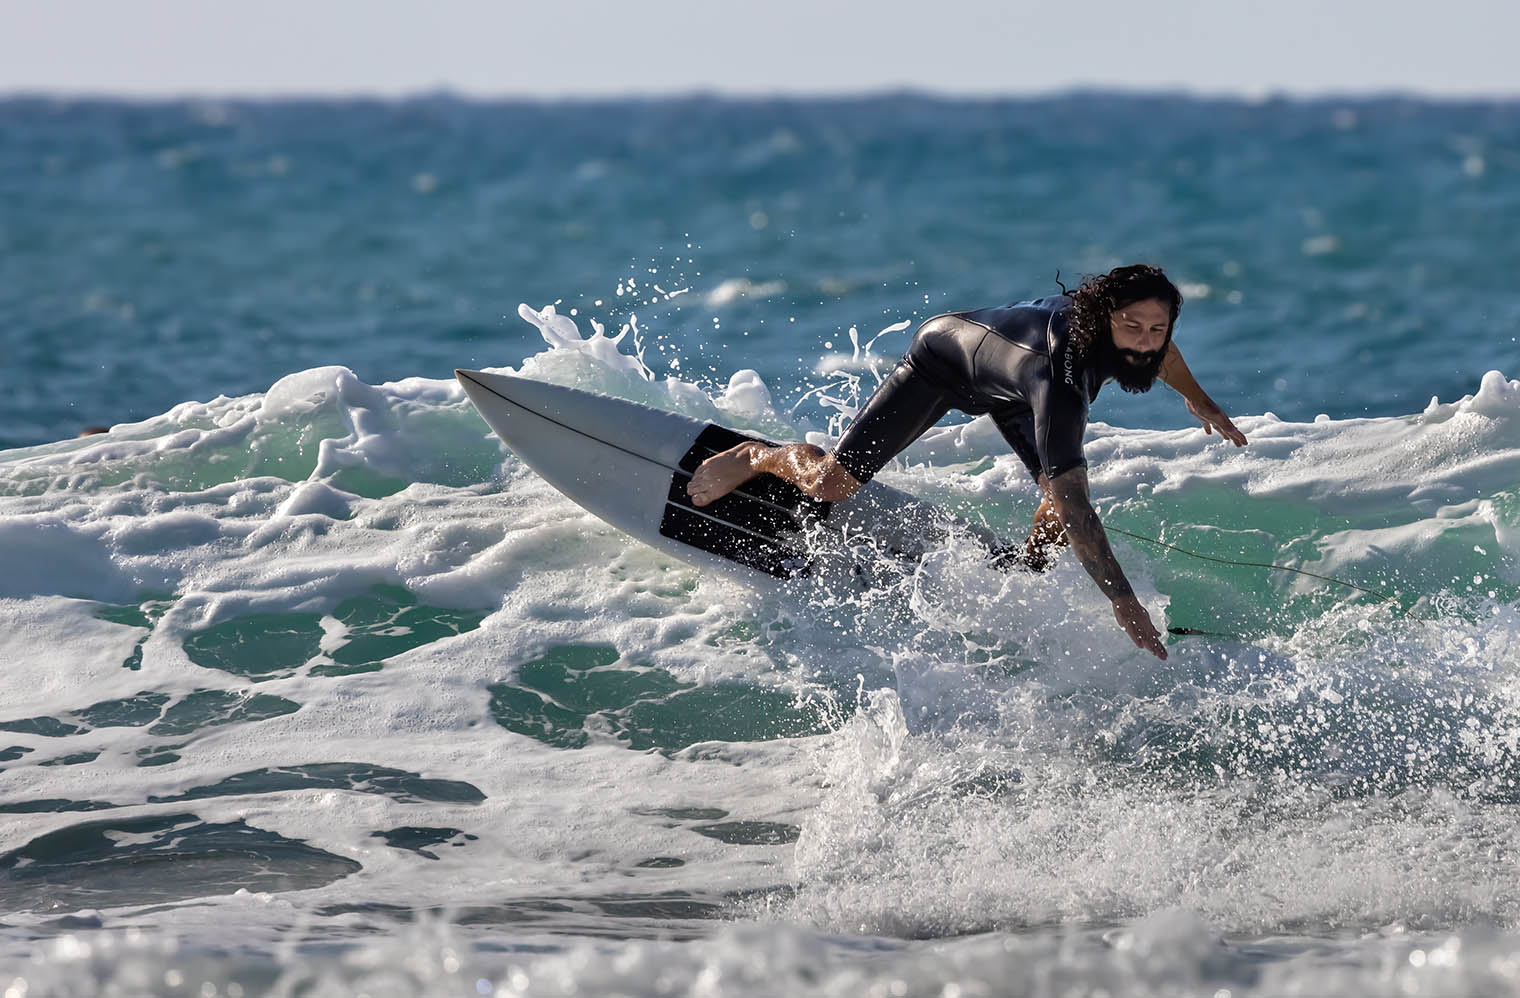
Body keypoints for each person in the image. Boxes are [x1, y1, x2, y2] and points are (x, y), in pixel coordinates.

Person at [686, 264, 1247, 660]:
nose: (1144, 342)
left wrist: (1199, 399)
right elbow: (1079, 510)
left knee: (1053, 499)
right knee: (834, 485)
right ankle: (756, 456)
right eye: (1131, 326)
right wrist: (1124, 603)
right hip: (945, 359)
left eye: (1156, 327)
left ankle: (1026, 571)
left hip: (1006, 381)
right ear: (1103, 317)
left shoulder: (1138, 338)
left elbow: (1165, 355)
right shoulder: (1061, 381)